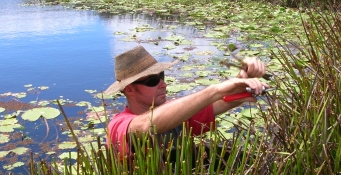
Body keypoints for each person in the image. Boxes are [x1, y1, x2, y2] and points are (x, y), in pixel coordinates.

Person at [104, 45, 269, 156]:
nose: (163, 84)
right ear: (130, 89)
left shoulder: (176, 114)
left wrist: (244, 79)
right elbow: (145, 126)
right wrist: (216, 89)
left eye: (161, 76)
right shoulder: (118, 125)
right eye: (152, 81)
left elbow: (224, 101)